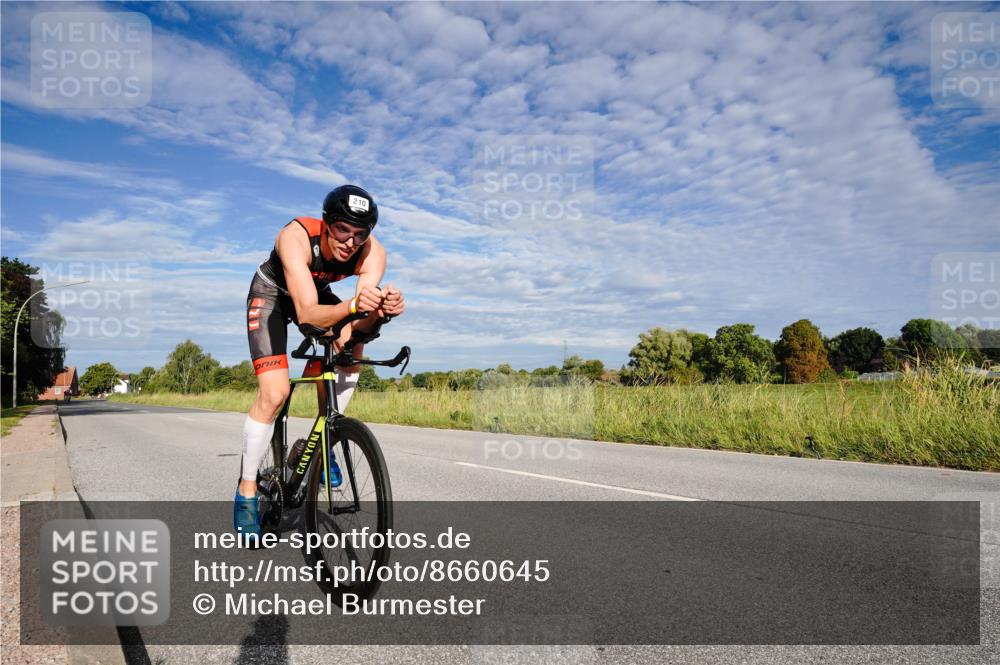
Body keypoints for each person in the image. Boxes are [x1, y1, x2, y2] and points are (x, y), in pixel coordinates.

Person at [234, 184, 405, 537]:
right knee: (275, 393)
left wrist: (382, 313)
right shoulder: (294, 237)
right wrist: (355, 307)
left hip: (314, 291)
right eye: (343, 228)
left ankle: (325, 436)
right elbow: (309, 315)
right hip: (273, 296)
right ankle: (246, 490)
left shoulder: (373, 254)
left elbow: (360, 324)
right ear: (327, 223)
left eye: (360, 234)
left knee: (351, 344)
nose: (350, 241)